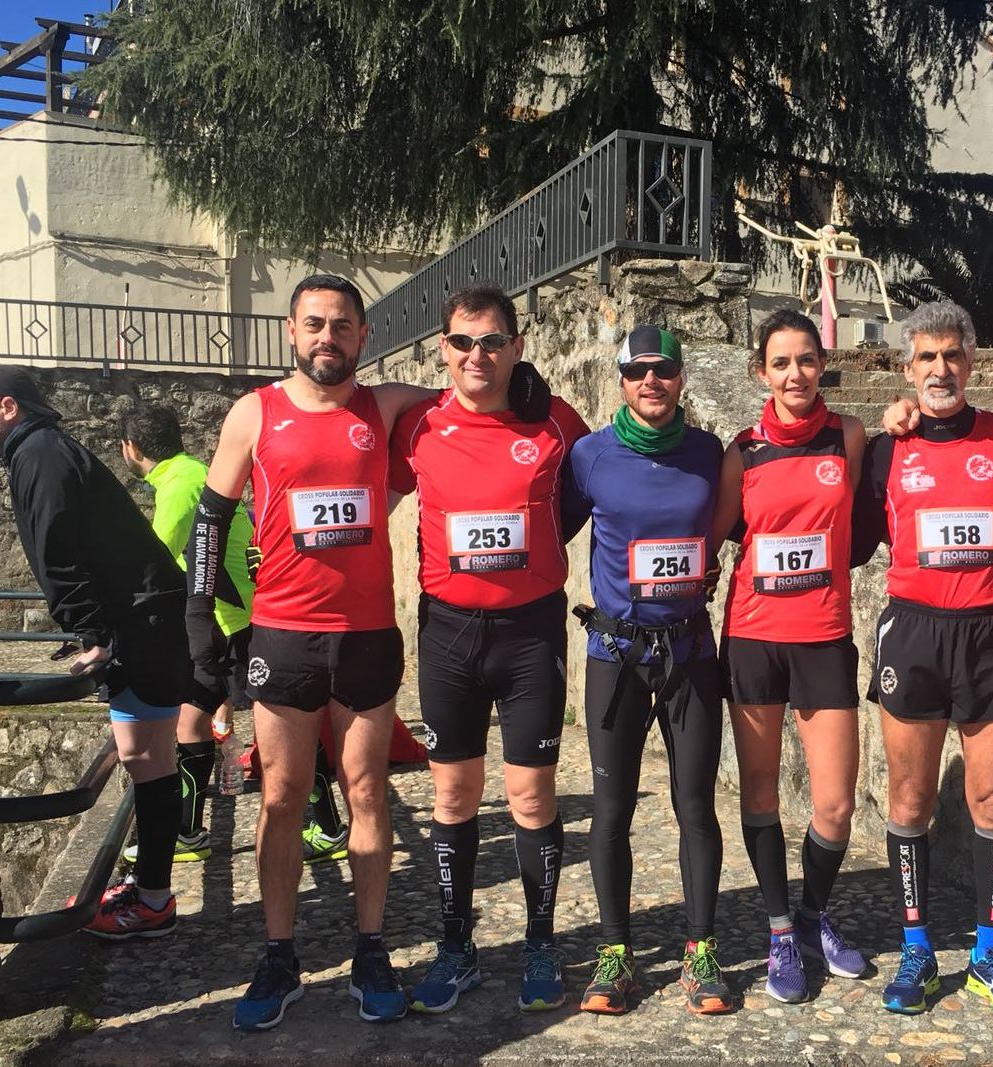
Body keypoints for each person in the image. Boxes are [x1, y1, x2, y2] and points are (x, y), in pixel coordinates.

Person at [188, 274, 436, 1030]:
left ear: (364, 336)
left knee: (366, 790)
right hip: (284, 636)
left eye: (344, 325)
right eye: (315, 324)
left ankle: (369, 946)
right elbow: (210, 513)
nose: (329, 337)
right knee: (283, 795)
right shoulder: (254, 413)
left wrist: (519, 381)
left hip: (365, 638)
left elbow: (467, 397)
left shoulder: (385, 405)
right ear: (292, 332)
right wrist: (199, 615)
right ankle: (279, 952)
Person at [387, 282, 589, 1015]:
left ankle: (541, 940)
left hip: (531, 632)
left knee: (531, 794)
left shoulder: (556, 422)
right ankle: (455, 943)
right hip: (447, 633)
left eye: (494, 340)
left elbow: (592, 485)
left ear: (517, 346)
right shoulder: (418, 424)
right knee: (451, 792)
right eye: (464, 341)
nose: (479, 354)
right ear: (444, 349)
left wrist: (541, 548)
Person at [852, 301, 993, 1018]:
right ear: (907, 368)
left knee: (992, 798)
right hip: (916, 635)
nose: (939, 369)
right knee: (910, 799)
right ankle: (918, 948)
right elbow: (849, 535)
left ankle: (991, 952)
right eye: (925, 358)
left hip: (992, 634)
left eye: (952, 356)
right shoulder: (886, 448)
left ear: (972, 362)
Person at [0, 365, 187, 940]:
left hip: (141, 622)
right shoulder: (45, 450)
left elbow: (55, 553)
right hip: (149, 615)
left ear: (7, 407)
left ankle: (154, 900)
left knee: (148, 758)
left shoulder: (39, 456)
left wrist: (91, 634)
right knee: (147, 756)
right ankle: (154, 889)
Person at [565, 325, 735, 1017]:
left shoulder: (707, 453)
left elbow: (739, 523)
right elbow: (546, 528)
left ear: (682, 376)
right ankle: (616, 952)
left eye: (662, 369)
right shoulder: (590, 456)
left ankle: (701, 951)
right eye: (637, 372)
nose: (650, 382)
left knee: (695, 805)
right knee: (612, 810)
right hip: (617, 659)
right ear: (621, 380)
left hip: (691, 653)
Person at [709, 310, 868, 1004]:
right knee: (763, 791)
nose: (796, 373)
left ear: (822, 362)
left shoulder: (851, 436)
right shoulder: (742, 452)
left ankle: (811, 918)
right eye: (781, 363)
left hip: (825, 635)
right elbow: (715, 541)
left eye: (807, 359)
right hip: (754, 635)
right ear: (760, 372)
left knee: (834, 803)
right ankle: (779, 932)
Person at [118, 405, 351, 866]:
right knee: (192, 721)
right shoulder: (188, 474)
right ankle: (187, 833)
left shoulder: (181, 485)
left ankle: (326, 827)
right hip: (220, 625)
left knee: (284, 725)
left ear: (131, 448)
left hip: (238, 623)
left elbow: (148, 561)